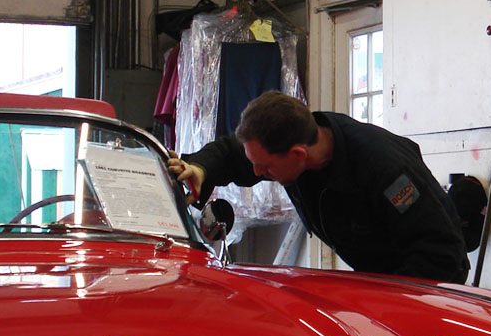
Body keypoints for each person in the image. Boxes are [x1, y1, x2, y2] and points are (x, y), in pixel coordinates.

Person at [168, 91, 471, 284]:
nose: (257, 172)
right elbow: (234, 154)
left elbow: (440, 253)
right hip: (377, 280)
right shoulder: (289, 139)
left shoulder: (385, 170)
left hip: (429, 286)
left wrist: (378, 302)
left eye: (266, 168)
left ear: (298, 154)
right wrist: (201, 168)